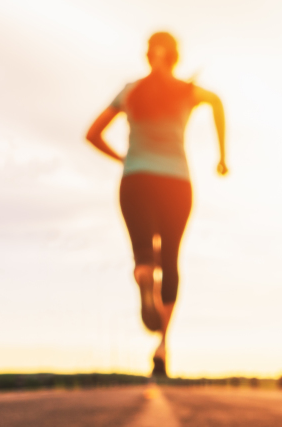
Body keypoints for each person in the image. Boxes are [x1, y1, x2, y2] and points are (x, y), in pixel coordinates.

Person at [85, 32, 227, 378]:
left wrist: (124, 158)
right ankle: (162, 345)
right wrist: (222, 156)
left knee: (143, 253)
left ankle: (143, 275)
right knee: (172, 259)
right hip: (176, 181)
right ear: (175, 57)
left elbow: (92, 133)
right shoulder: (186, 91)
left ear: (148, 56)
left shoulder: (130, 91)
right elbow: (218, 103)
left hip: (137, 179)